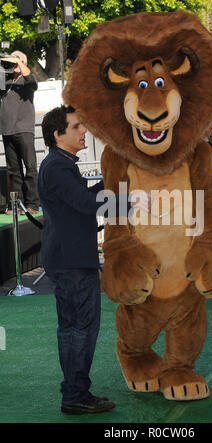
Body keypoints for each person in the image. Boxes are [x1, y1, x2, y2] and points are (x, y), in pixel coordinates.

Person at [38, 105, 150, 414]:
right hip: (72, 260)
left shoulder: (58, 164)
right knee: (80, 329)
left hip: (68, 258)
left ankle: (75, 392)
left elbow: (81, 197)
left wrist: (114, 180)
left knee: (73, 328)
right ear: (58, 134)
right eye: (76, 127)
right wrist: (131, 200)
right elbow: (86, 203)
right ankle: (75, 394)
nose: (84, 130)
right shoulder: (58, 167)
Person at [0, 50, 39, 214]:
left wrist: (18, 61)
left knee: (30, 168)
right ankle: (16, 205)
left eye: (17, 60)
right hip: (7, 130)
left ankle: (32, 204)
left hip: (23, 129)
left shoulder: (27, 80)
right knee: (13, 171)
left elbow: (31, 79)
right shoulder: (4, 80)